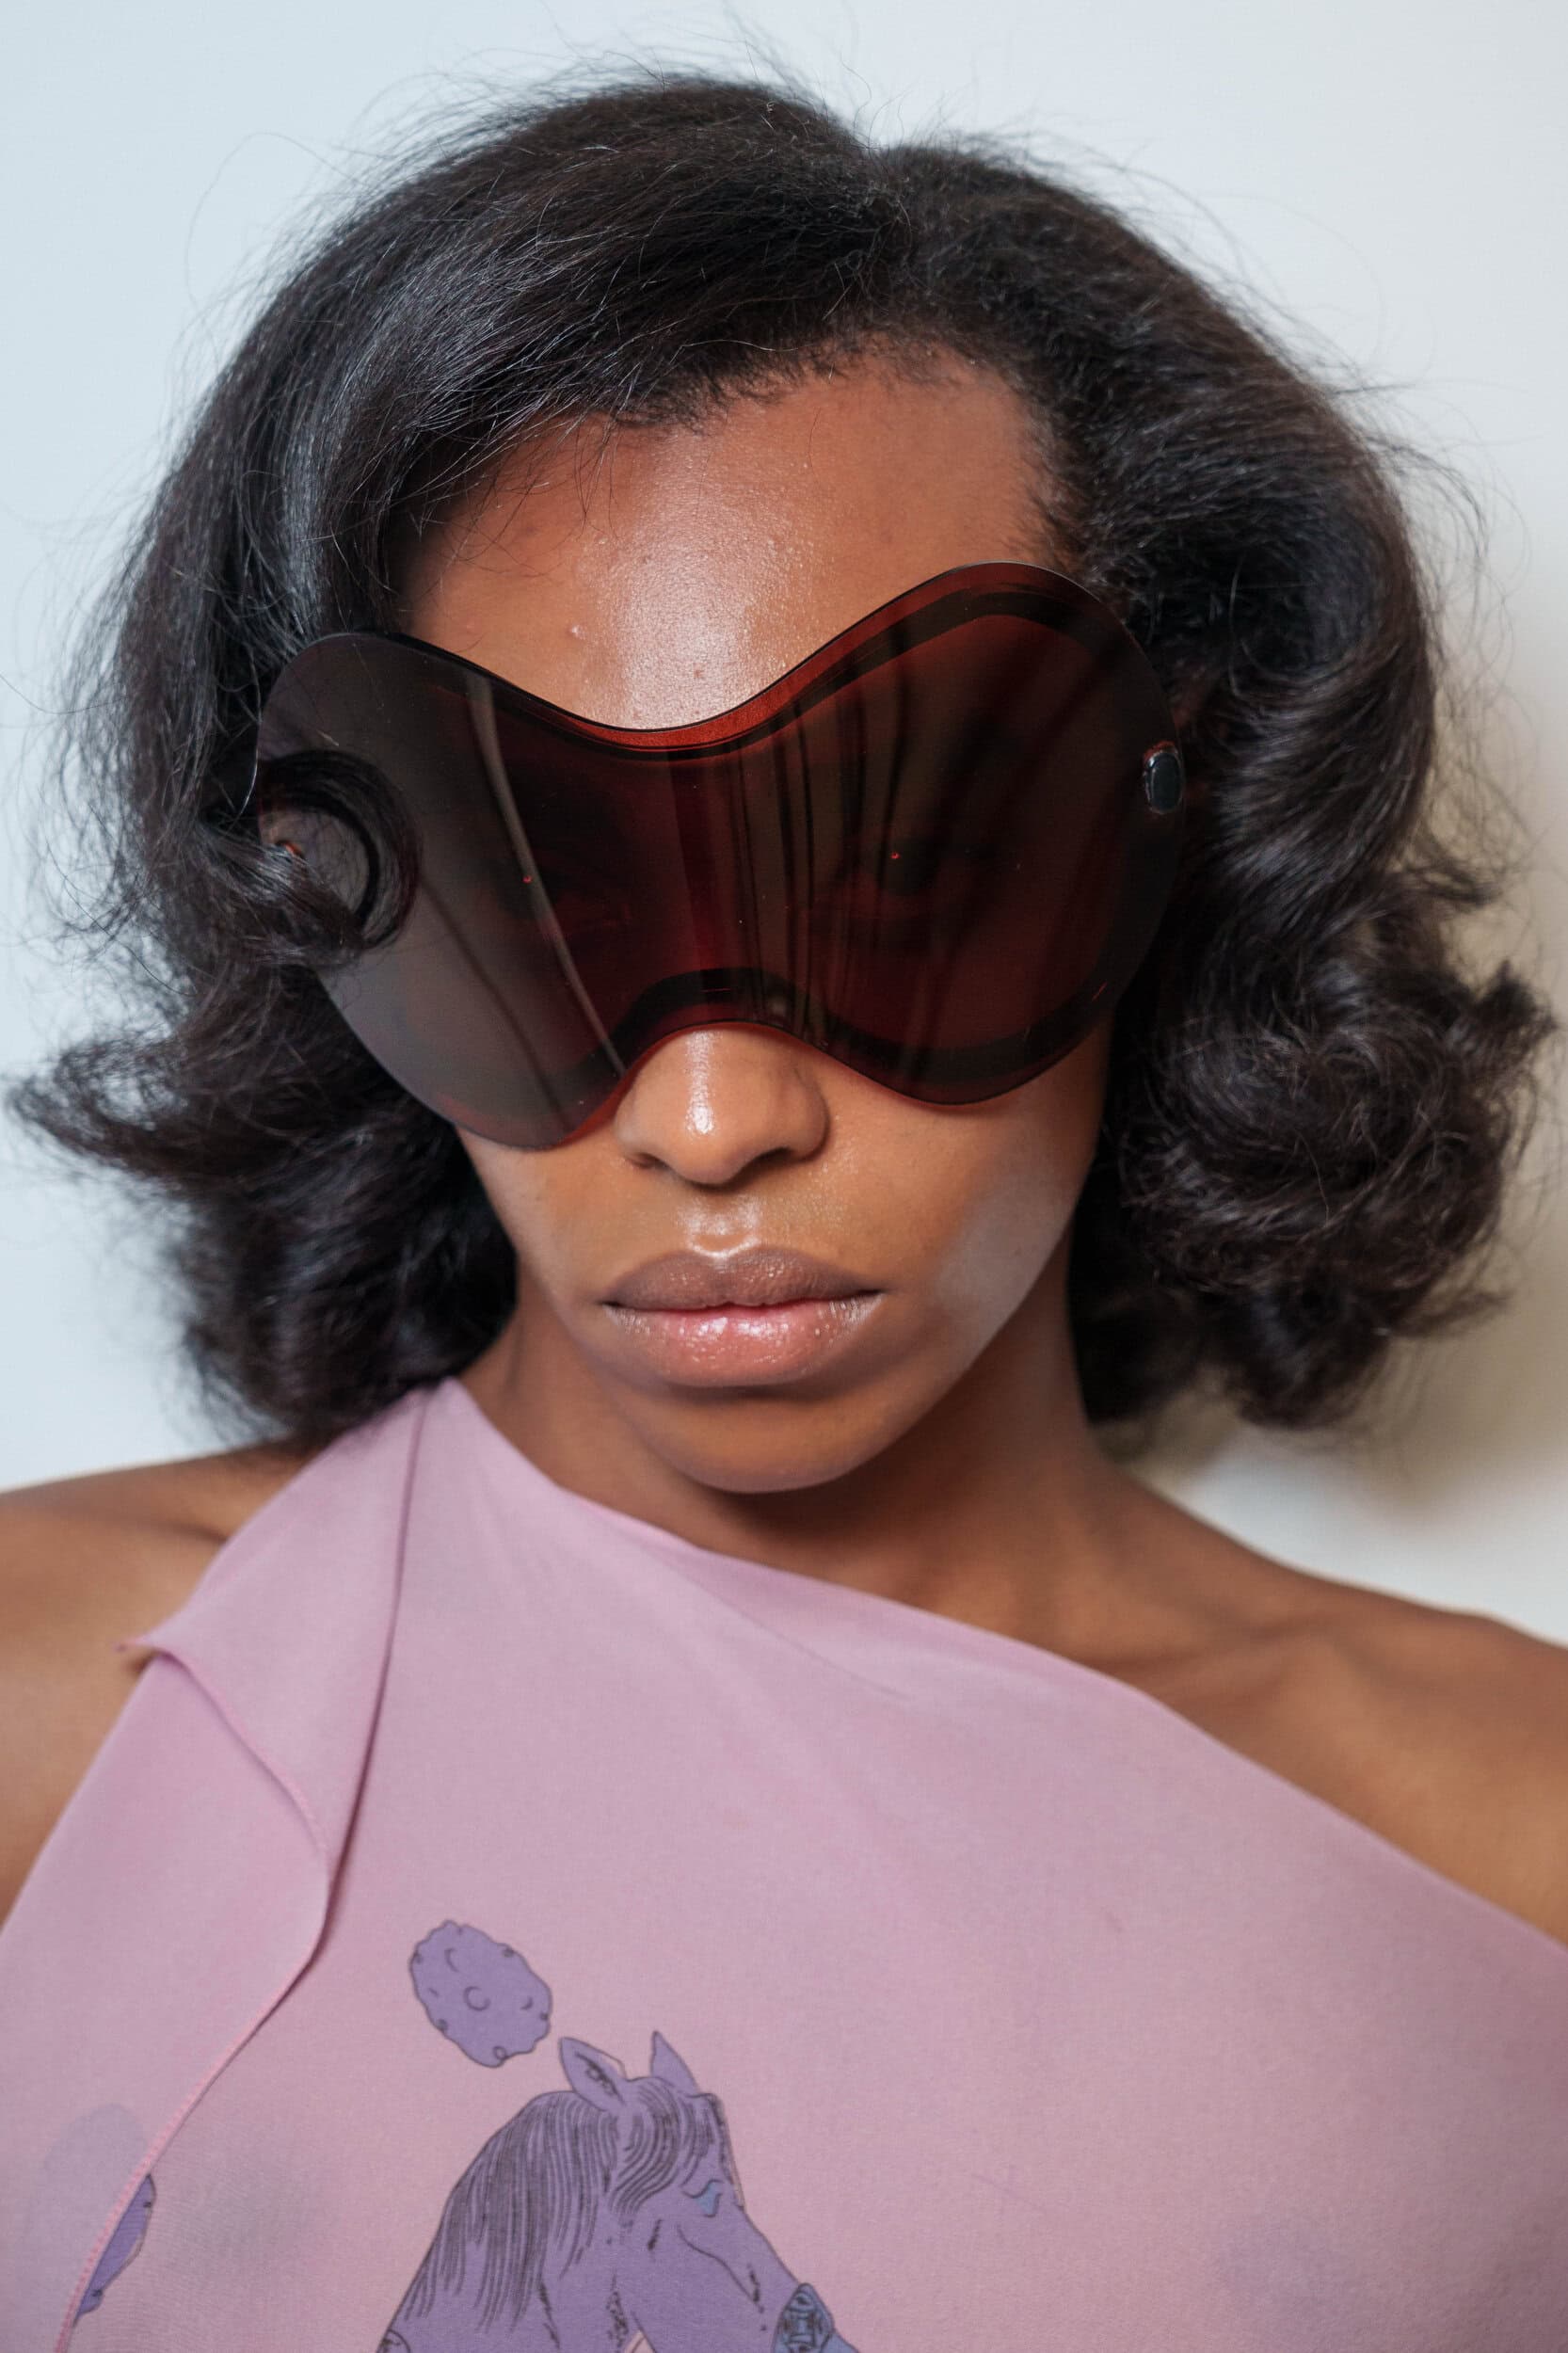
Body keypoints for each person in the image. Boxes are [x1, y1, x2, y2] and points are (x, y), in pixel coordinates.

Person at [2, 67, 1567, 2353]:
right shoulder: (53, 1712)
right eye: (537, 900)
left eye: (900, 873)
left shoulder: (1516, 1850)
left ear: (1185, 820)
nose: (713, 1116)